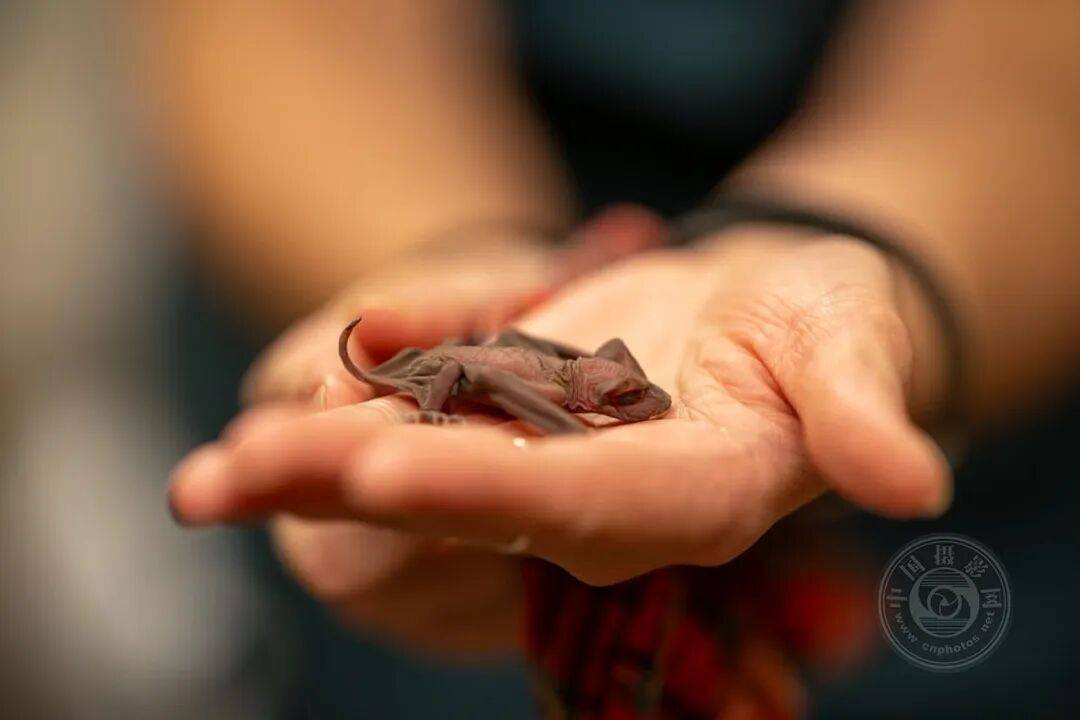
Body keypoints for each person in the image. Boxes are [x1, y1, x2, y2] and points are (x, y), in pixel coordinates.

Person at [162, 1, 1080, 715]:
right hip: (397, 258)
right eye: (629, 398)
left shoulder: (595, 376)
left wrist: (843, 246)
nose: (637, 403)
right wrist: (460, 261)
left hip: (994, 472)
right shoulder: (557, 383)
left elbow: (1021, 77)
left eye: (630, 397)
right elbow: (291, 37)